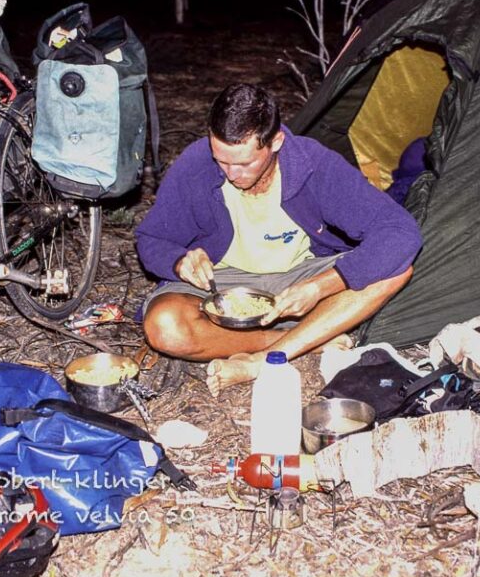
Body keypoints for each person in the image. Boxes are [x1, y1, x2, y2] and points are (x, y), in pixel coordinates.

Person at [135, 84, 422, 396]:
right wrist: (179, 261)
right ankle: (306, 340)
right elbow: (151, 239)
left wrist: (320, 286)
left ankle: (260, 362)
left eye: (245, 163)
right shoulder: (197, 164)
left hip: (300, 274)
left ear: (275, 142)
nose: (232, 174)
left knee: (395, 269)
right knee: (164, 327)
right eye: (222, 161)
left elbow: (400, 232)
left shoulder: (313, 164)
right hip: (222, 280)